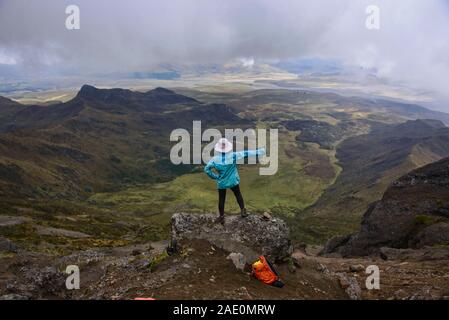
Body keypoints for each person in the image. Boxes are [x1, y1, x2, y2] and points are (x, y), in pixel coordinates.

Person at [204, 138, 265, 224]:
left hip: (222, 182)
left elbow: (207, 169)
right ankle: (243, 212)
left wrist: (215, 177)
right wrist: (260, 151)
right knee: (238, 194)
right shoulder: (233, 156)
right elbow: (246, 153)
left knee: (221, 199)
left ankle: (221, 217)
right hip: (233, 181)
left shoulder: (214, 159)